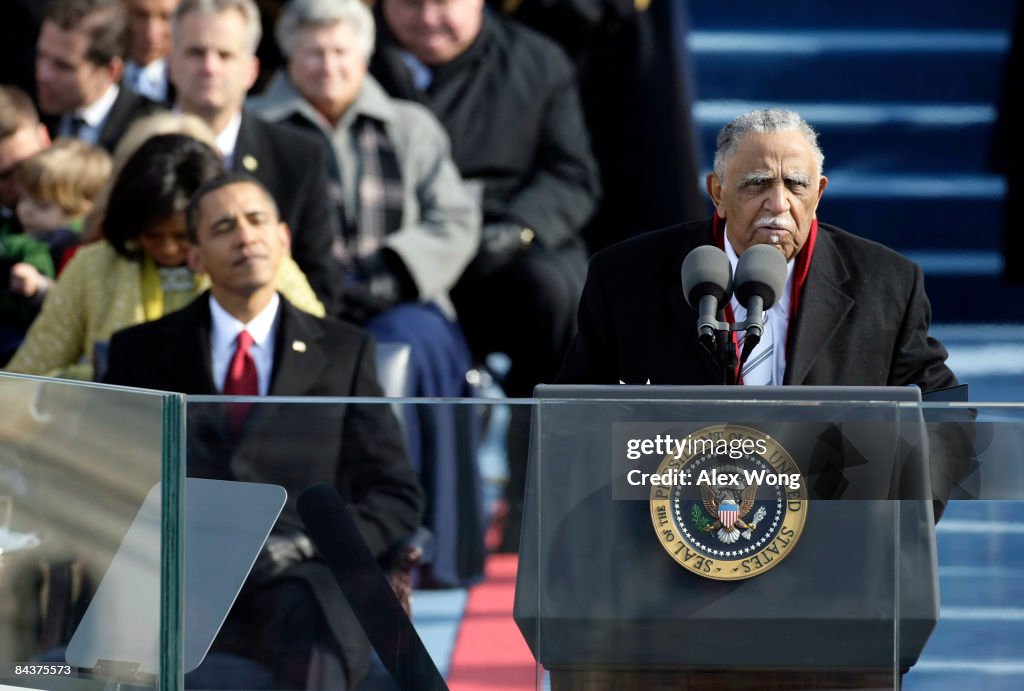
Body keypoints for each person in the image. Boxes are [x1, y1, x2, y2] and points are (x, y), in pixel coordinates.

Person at [103, 171, 425, 689]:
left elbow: (396, 496)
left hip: (301, 581)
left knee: (315, 618)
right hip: (181, 584)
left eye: (257, 221)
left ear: (283, 239)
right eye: (224, 226)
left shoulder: (344, 352)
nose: (245, 236)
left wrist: (307, 542)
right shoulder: (139, 352)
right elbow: (110, 482)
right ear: (195, 256)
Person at [250, 0, 486, 584]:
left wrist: (396, 270)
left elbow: (454, 219)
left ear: (363, 55)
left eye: (340, 51)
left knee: (409, 342)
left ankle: (417, 540)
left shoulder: (411, 125)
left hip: (401, 301)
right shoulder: (259, 125)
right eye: (313, 52)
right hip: (292, 302)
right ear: (290, 57)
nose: (328, 65)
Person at [558, 108, 957, 391]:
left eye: (796, 185)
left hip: (828, 503)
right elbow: (574, 414)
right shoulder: (626, 278)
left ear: (817, 195)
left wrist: (900, 507)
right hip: (670, 503)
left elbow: (945, 414)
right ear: (718, 192)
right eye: (757, 183)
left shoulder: (888, 284)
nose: (779, 203)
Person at [5, 133, 323, 380]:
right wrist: (101, 381)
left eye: (182, 237)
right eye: (152, 235)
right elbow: (25, 380)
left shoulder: (254, 264)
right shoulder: (93, 266)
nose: (168, 249)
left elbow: (320, 359)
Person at [169, 0, 343, 312]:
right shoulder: (129, 144)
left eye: (224, 55)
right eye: (196, 52)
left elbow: (321, 282)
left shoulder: (298, 157)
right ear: (171, 63)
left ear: (251, 70)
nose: (210, 67)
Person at [35, 0, 159, 152]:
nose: (44, 75)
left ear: (112, 71)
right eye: (41, 55)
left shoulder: (148, 129)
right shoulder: (29, 112)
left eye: (64, 67)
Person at [13, 138, 112, 278]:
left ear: (82, 209)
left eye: (42, 206)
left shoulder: (79, 255)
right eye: (23, 198)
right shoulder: (17, 236)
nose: (25, 210)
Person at [123, 0, 181, 105]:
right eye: (140, 16)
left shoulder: (192, 84)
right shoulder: (99, 75)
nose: (151, 34)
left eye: (166, 18)